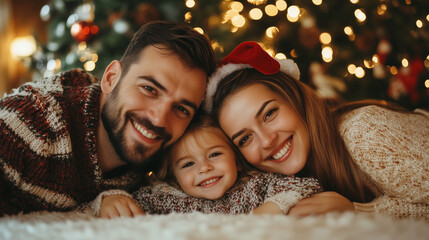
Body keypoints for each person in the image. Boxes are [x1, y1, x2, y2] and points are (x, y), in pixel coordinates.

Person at [0, 21, 216, 216]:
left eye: (181, 108)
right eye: (149, 89)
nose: (159, 119)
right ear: (111, 78)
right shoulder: (34, 120)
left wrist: (100, 201)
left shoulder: (170, 153)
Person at [205, 41, 429, 219]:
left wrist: (360, 212)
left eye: (269, 114)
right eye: (245, 139)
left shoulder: (364, 132)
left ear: (295, 98)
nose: (266, 141)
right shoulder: (276, 182)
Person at [91, 114, 322, 218]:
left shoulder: (256, 185)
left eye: (214, 154)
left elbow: (306, 185)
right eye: (188, 164)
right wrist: (109, 198)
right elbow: (125, 203)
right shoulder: (165, 196)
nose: (204, 168)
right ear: (173, 176)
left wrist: (272, 208)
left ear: (236, 160)